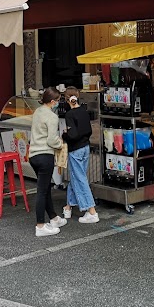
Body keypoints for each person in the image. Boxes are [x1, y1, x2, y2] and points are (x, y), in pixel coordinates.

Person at [29, 87, 67, 237]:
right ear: (52, 101)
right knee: (42, 191)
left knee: (45, 188)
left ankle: (54, 218)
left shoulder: (37, 111)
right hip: (45, 156)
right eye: (57, 101)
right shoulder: (52, 117)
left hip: (33, 155)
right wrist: (61, 144)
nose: (58, 104)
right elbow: (52, 140)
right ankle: (40, 225)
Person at [61, 87, 99, 224]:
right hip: (85, 147)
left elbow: (73, 135)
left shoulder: (69, 115)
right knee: (76, 176)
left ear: (67, 99)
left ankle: (91, 211)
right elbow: (88, 130)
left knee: (80, 178)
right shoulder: (84, 111)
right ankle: (69, 206)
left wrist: (64, 134)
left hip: (75, 150)